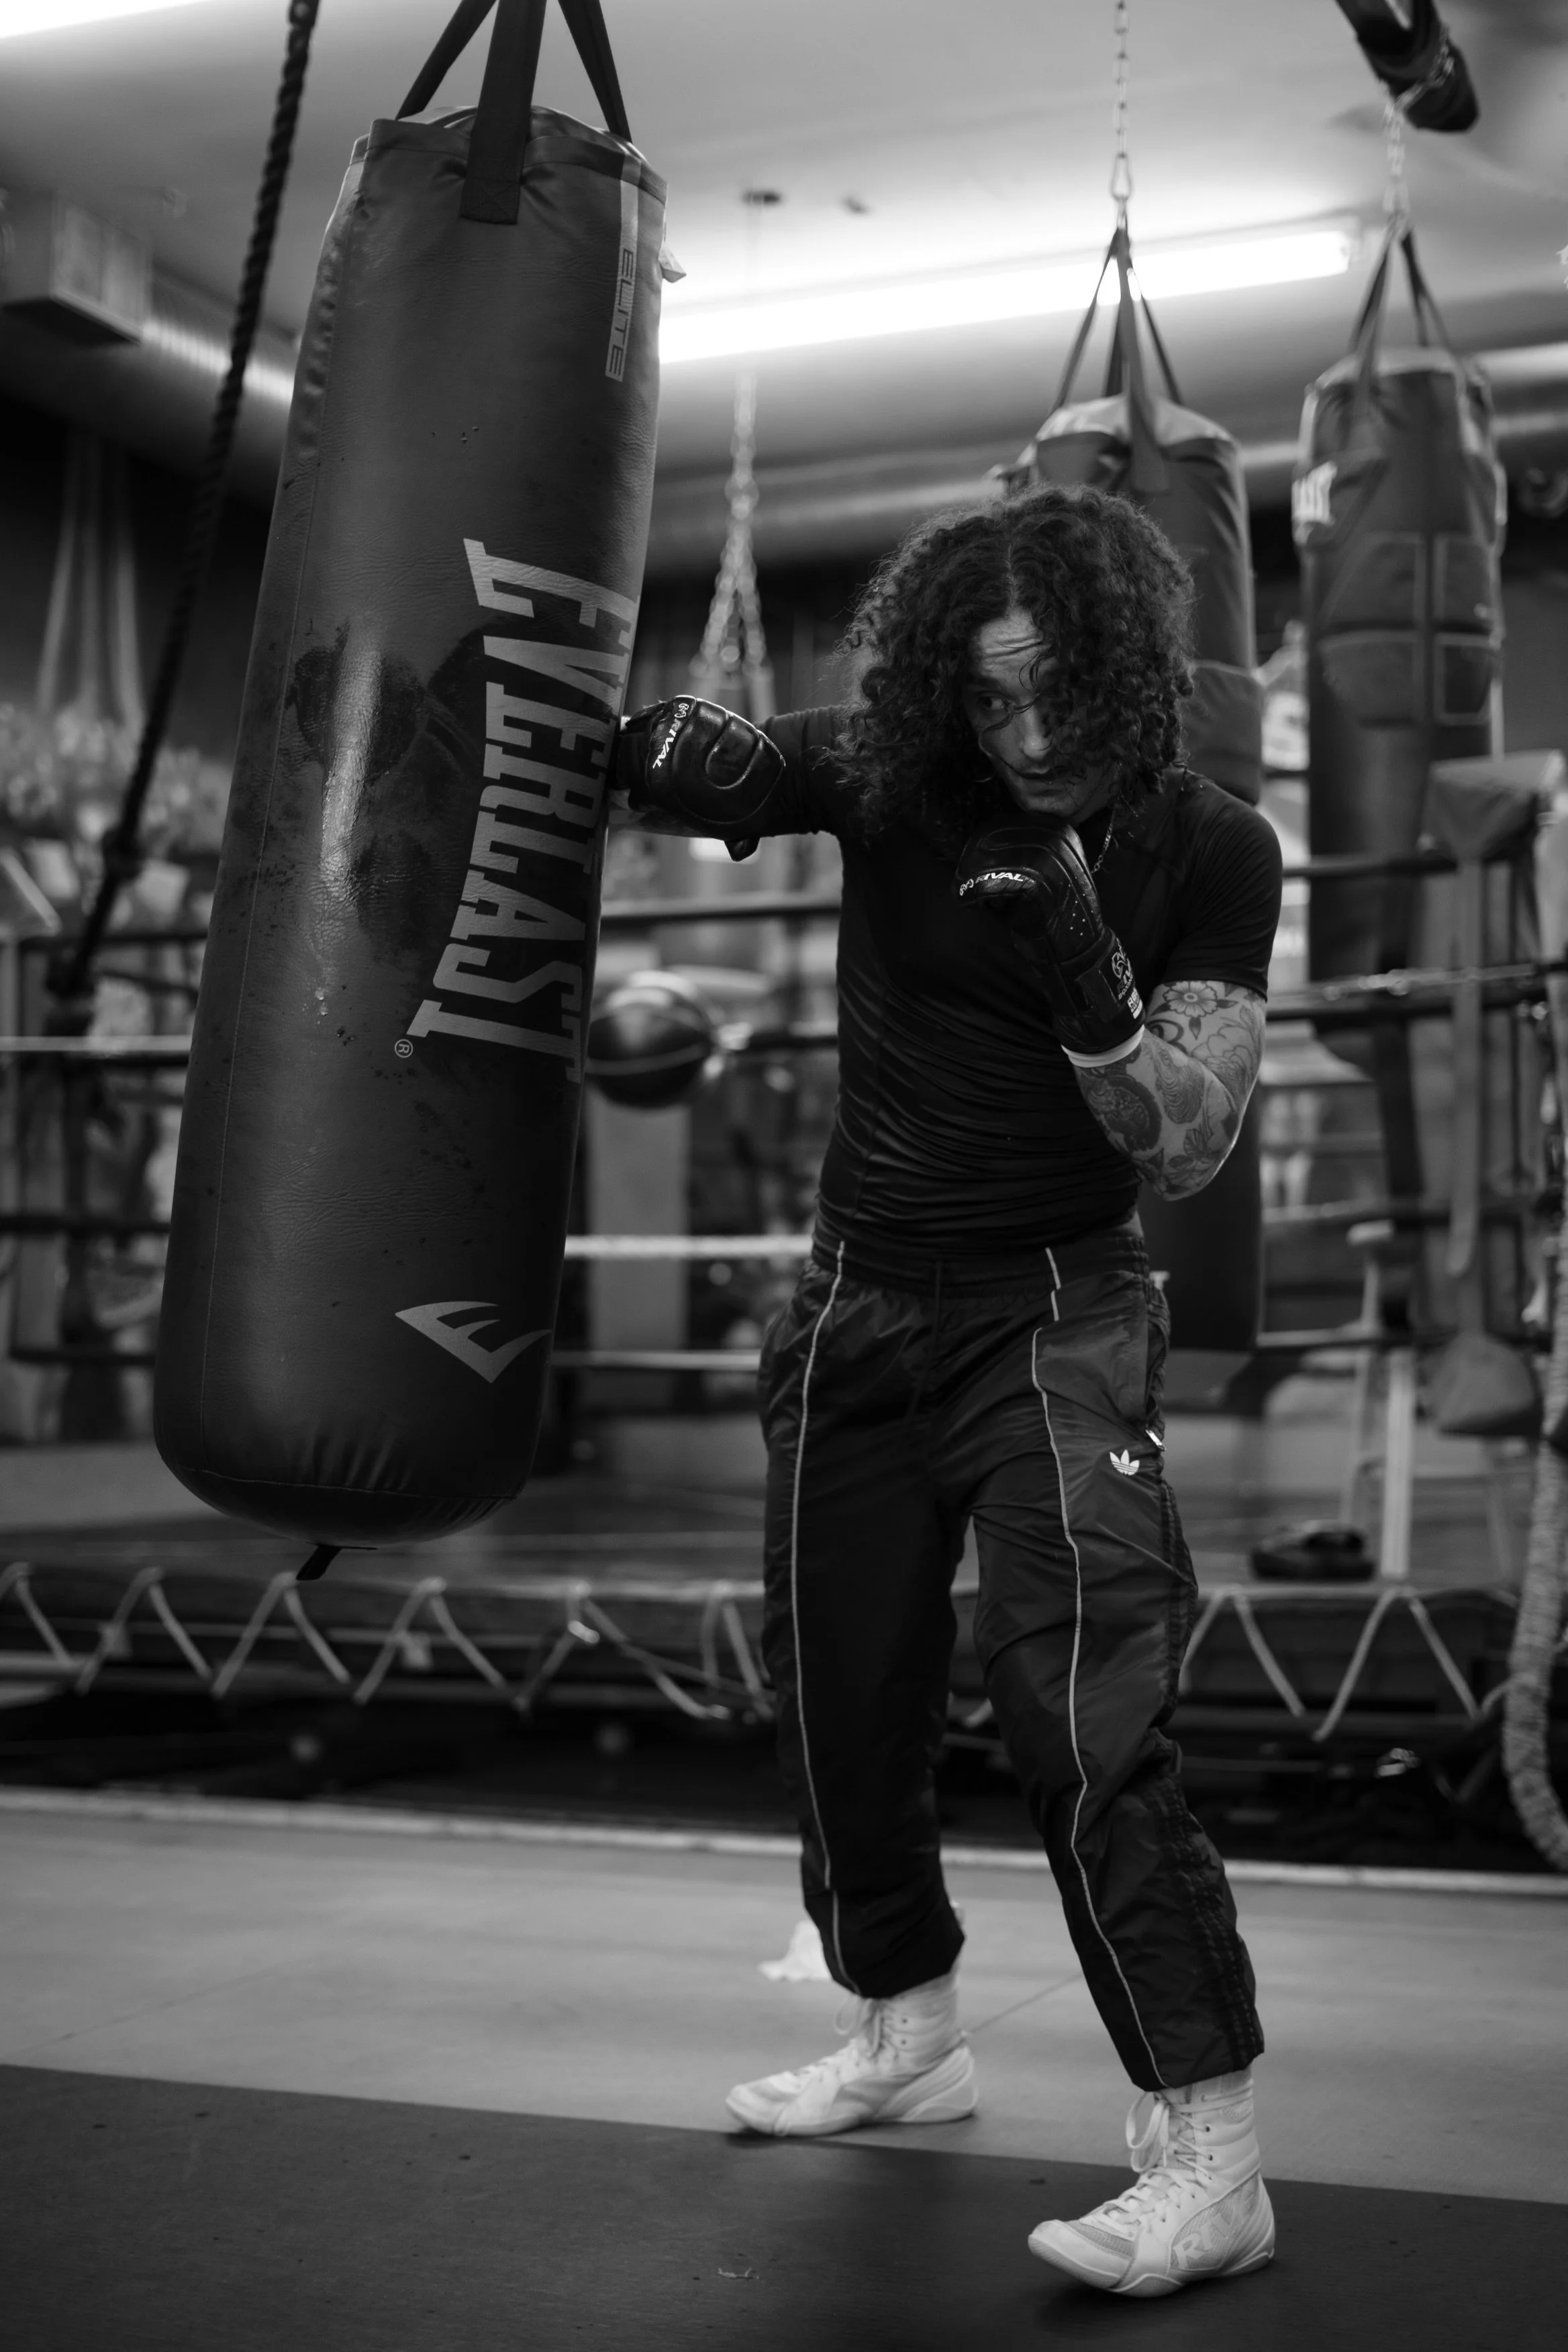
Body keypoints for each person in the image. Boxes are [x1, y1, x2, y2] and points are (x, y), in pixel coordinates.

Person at [611, 481, 1283, 2301]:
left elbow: (1196, 1142)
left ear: (1128, 669)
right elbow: (739, 765)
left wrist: (1090, 994)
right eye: (988, 699)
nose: (1029, 734)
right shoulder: (899, 773)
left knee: (1090, 1715)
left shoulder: (1217, 846)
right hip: (853, 1312)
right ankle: (908, 2033)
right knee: (838, 1698)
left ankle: (1211, 2156)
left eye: (1058, 689)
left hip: (1058, 1318)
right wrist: (675, 760)